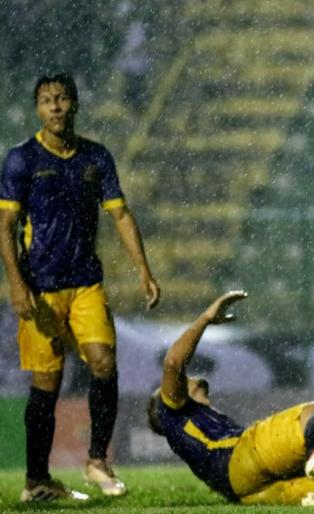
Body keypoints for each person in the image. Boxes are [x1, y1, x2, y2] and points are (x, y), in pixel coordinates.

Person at [0, 73, 160, 502]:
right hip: (41, 287)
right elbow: (6, 225)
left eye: (62, 99)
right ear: (38, 109)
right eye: (46, 100)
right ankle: (37, 481)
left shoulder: (95, 157)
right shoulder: (22, 160)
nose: (54, 107)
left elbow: (121, 215)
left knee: (103, 362)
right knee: (46, 382)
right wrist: (16, 283)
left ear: (75, 105)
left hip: (86, 282)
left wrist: (143, 269)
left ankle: (96, 460)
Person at [146, 291, 314, 506]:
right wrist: (206, 319)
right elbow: (173, 362)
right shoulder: (172, 412)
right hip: (241, 458)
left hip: (250, 492)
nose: (186, 379)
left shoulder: (199, 427)